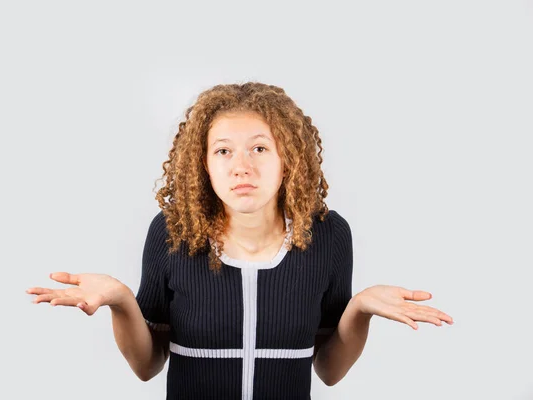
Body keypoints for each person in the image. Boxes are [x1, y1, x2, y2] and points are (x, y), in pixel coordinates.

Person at [26, 82, 453, 399]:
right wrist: (121, 300)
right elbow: (147, 366)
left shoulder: (328, 235)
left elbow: (328, 369)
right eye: (224, 151)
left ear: (289, 160)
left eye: (260, 149)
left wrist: (359, 309)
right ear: (204, 165)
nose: (241, 167)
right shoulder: (172, 233)